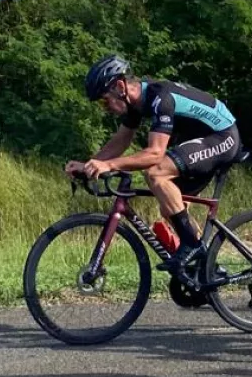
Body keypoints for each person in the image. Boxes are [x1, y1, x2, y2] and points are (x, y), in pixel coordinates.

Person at [65, 55, 241, 277]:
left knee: (156, 173)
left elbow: (155, 153)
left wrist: (108, 164)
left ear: (120, 87)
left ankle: (193, 248)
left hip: (222, 137)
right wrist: (90, 164)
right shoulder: (136, 104)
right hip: (199, 140)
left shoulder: (160, 98)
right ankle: (206, 269)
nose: (105, 108)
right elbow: (121, 140)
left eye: (104, 100)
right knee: (170, 206)